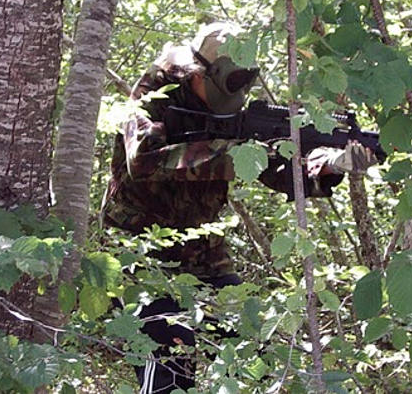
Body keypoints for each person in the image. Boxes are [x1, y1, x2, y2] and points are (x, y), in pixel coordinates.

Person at [104, 22, 376, 394]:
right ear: (198, 73)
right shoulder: (156, 92)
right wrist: (235, 155)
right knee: (168, 363)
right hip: (144, 252)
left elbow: (275, 171)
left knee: (253, 353)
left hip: (204, 252)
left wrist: (328, 165)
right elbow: (144, 161)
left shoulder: (238, 116)